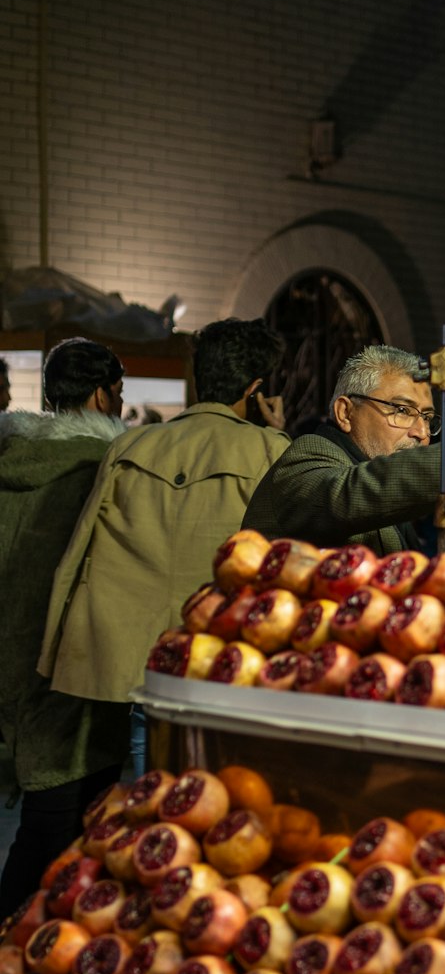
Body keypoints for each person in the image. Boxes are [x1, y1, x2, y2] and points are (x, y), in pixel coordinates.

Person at [38, 319, 289, 769]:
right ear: (255, 390)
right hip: (219, 656)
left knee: (144, 784)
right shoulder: (271, 450)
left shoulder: (131, 445)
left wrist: (53, 652)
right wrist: (276, 429)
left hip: (135, 656)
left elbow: (78, 553)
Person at [0, 339, 129, 916]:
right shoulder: (107, 472)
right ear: (103, 394)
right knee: (58, 826)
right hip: (71, 664)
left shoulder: (8, 463)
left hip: (9, 660)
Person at [243, 343, 445, 552]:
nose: (421, 433)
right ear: (345, 413)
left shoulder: (386, 483)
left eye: (428, 418)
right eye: (401, 410)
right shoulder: (304, 464)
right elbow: (359, 492)